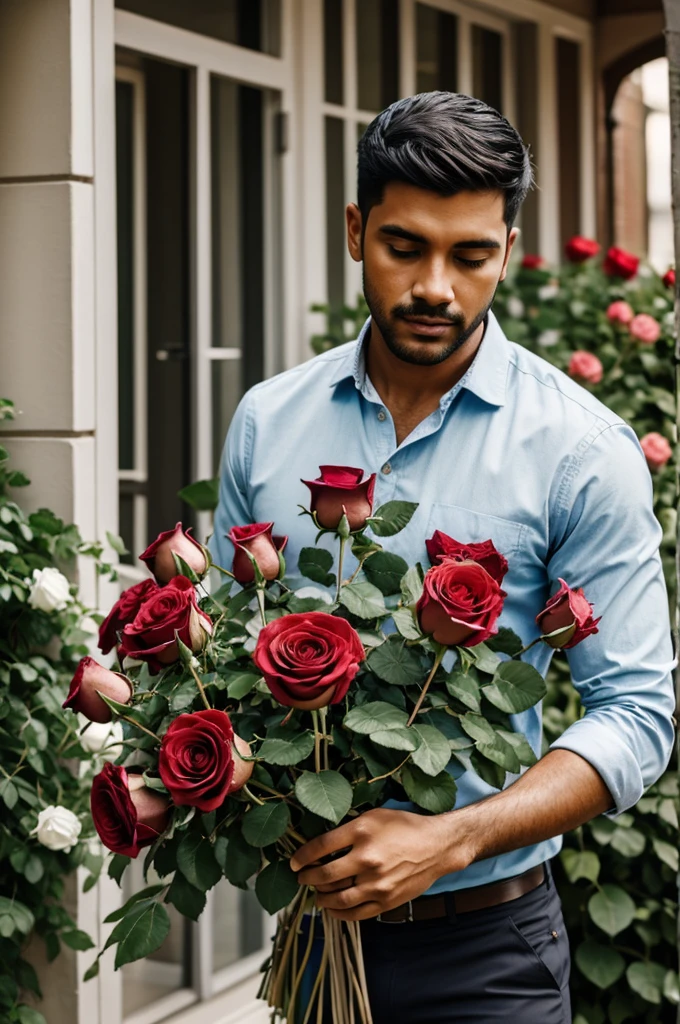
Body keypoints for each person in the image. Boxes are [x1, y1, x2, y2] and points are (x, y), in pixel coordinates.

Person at [209, 92, 675, 1023]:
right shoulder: (268, 420)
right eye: (404, 247)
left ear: (506, 248)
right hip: (313, 940)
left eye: (470, 255)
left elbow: (638, 716)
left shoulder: (582, 450)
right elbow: (226, 650)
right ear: (356, 231)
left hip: (487, 956)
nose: (436, 288)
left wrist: (455, 837)